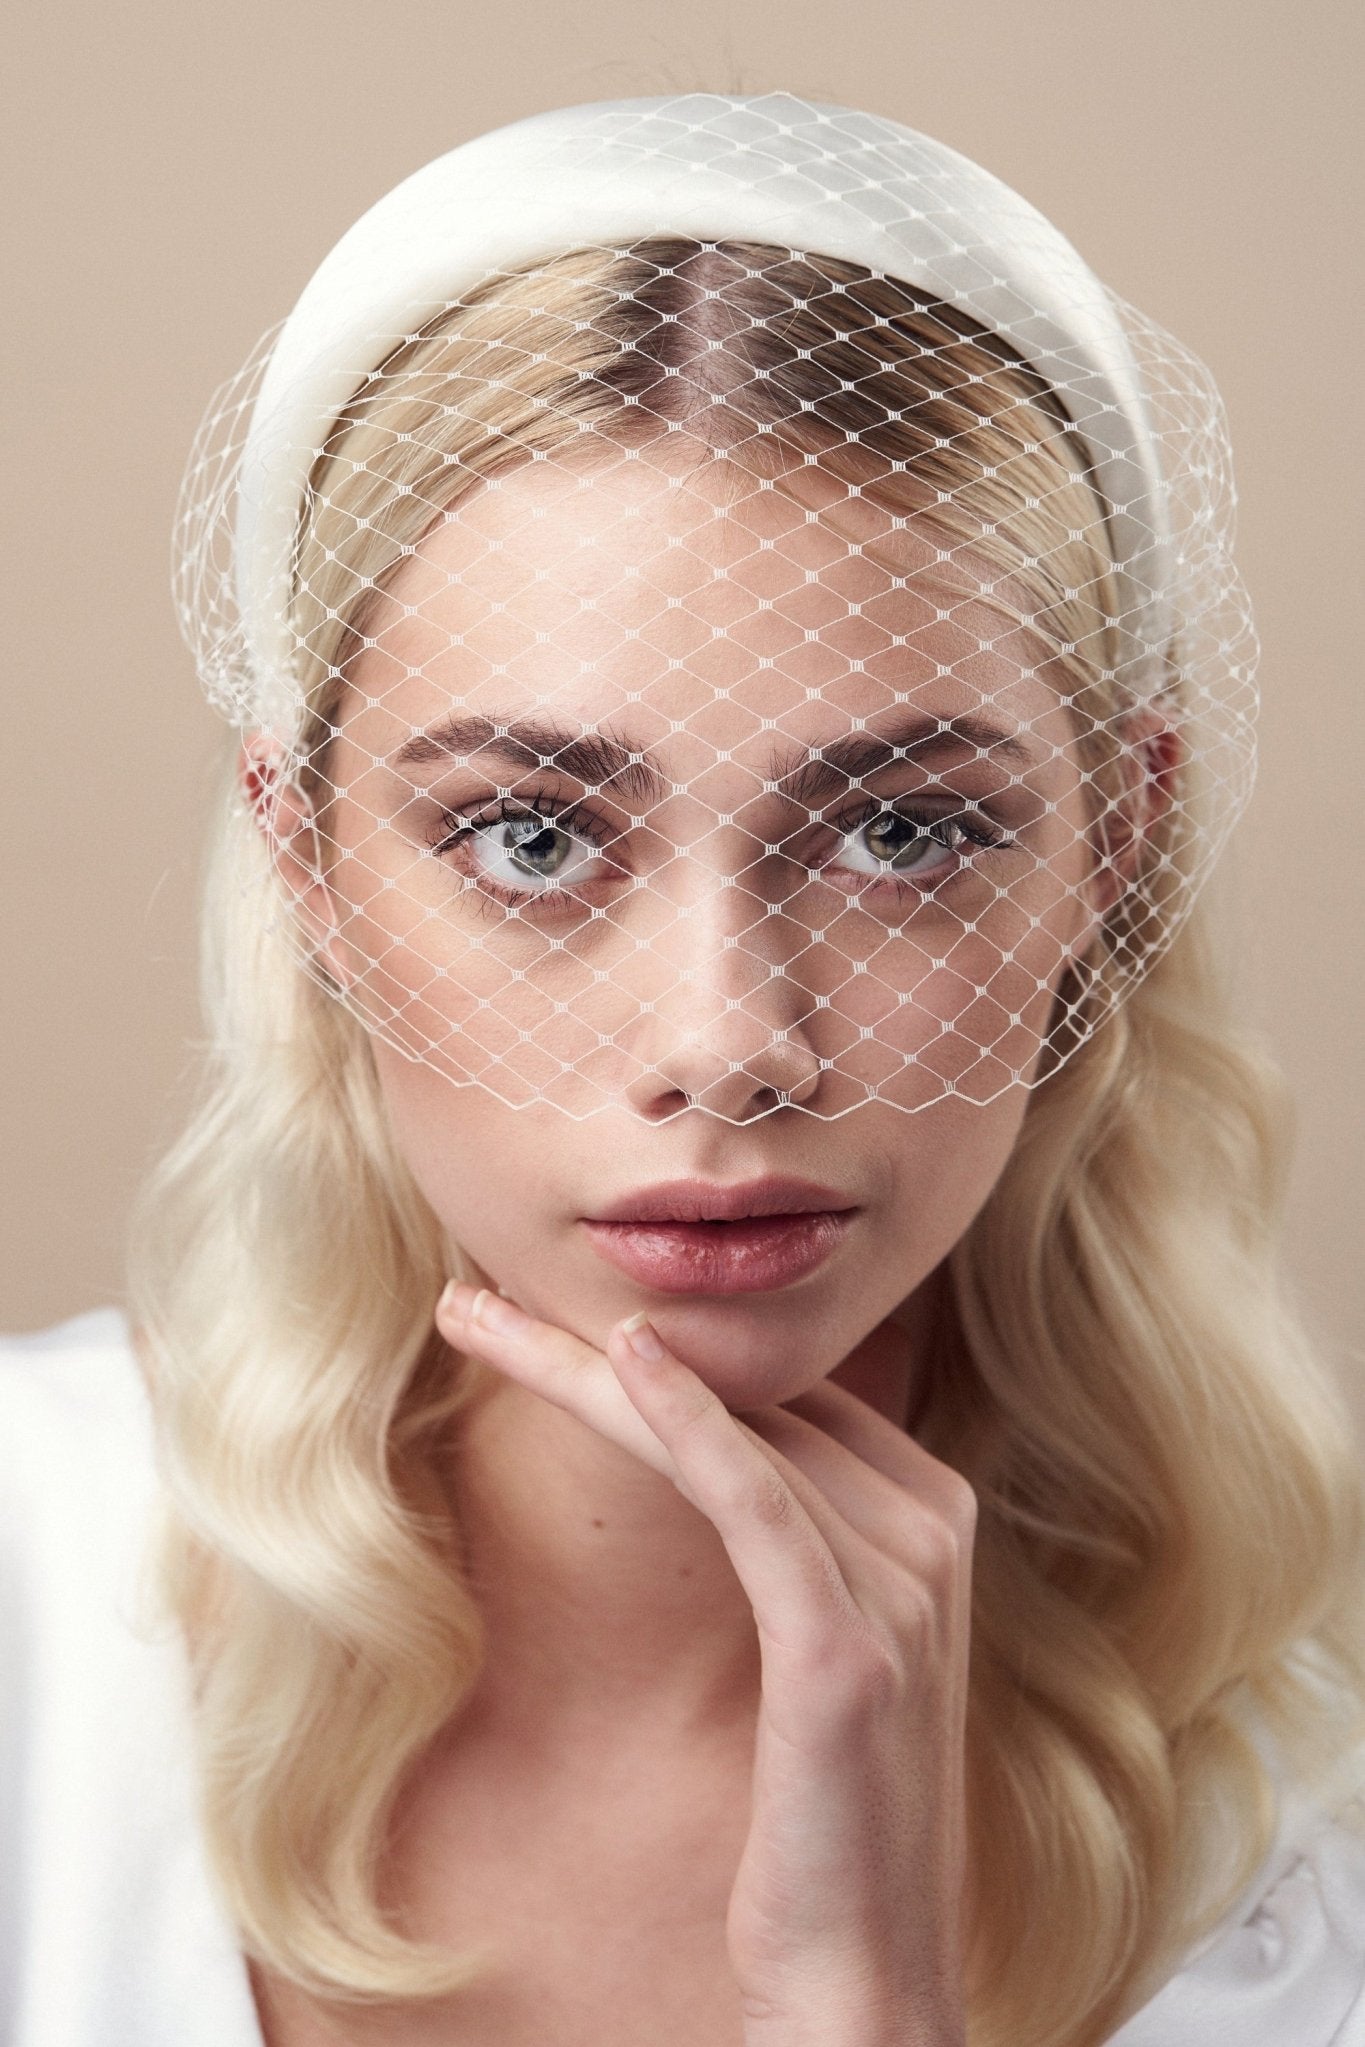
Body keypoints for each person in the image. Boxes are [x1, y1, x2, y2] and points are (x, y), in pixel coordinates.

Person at [4, 92, 1364, 2047]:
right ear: (305, 862)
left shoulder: (1301, 1851)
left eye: (900, 831)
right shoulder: (24, 1591)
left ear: (1110, 847)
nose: (727, 1043)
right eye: (535, 837)